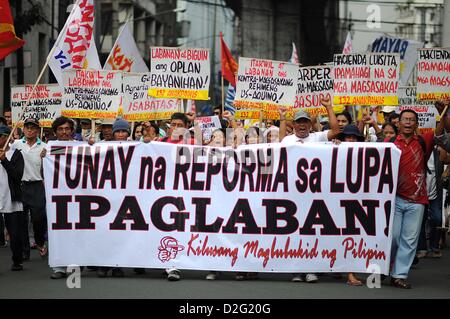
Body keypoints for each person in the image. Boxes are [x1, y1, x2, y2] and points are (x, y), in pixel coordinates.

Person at [387, 103, 448, 289]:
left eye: (412, 120)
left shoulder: (424, 141)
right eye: (405, 119)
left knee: (409, 239)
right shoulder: (389, 144)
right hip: (395, 198)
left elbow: (439, 130)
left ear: (416, 124)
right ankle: (387, 266)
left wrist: (443, 111)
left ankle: (399, 275)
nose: (408, 122)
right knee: (394, 236)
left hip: (418, 200)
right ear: (398, 123)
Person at [279, 97, 339, 283]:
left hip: (316, 195)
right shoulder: (288, 140)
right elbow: (279, 144)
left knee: (313, 233)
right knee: (295, 233)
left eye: (305, 121)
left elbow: (336, 131)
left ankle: (311, 269)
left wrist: (329, 107)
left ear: (310, 124)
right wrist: (282, 118)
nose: (302, 125)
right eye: (299, 122)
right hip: (293, 196)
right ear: (294, 125)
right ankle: (297, 270)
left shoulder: (317, 137)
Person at [10, 118, 47, 260]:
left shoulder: (44, 146)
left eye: (33, 127)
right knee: (21, 220)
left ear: (38, 130)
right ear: (23, 129)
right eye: (27, 127)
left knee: (39, 218)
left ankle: (39, 241)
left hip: (37, 185)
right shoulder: (16, 144)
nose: (30, 130)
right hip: (20, 185)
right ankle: (25, 249)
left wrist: (46, 157)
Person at [47, 116, 77, 279]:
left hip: (79, 195)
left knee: (76, 230)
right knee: (58, 228)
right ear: (55, 131)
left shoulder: (79, 146)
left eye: (67, 129)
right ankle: (59, 266)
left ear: (72, 130)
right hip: (58, 196)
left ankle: (74, 262)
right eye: (60, 129)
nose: (64, 132)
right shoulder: (50, 148)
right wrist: (45, 155)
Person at [0, 125, 26, 271]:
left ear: (5, 137)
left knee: (15, 233)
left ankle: (17, 260)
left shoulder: (16, 154)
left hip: (11, 199)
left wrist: (4, 160)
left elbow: (17, 175)